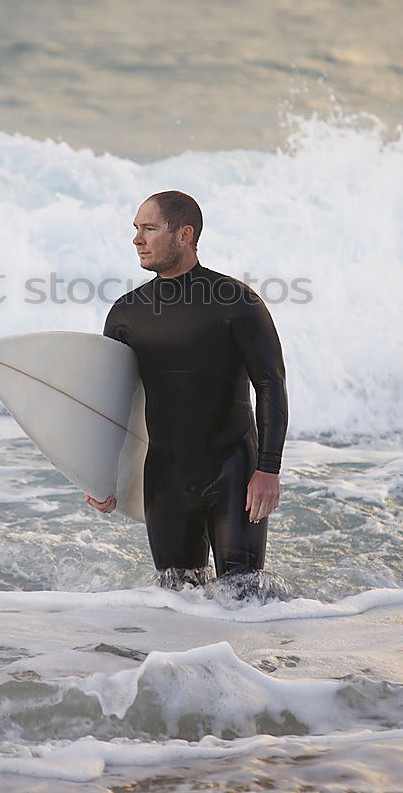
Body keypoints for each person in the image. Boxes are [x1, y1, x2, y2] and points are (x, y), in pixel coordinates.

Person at [86, 190, 288, 595]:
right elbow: (113, 401)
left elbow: (270, 384)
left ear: (184, 234)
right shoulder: (128, 312)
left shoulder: (236, 301)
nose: (137, 239)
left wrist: (268, 469)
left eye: (149, 229)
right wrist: (99, 473)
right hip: (166, 480)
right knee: (176, 599)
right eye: (135, 229)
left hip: (233, 470)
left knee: (244, 598)